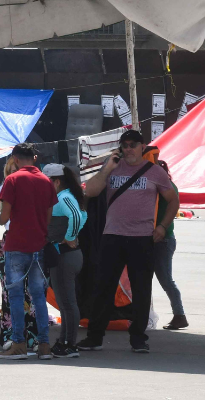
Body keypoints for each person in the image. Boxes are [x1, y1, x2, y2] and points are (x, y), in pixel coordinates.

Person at [80, 129, 180, 354]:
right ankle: (95, 336)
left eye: (133, 145)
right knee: (103, 287)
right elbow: (91, 192)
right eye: (124, 145)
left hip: (142, 238)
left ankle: (138, 338)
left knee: (141, 290)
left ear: (142, 147)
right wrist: (107, 168)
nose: (128, 149)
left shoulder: (154, 172)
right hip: (112, 236)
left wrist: (163, 227)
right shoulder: (112, 169)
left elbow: (173, 201)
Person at [0, 143, 57, 360]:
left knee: (16, 295)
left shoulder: (12, 180)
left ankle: (19, 343)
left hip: (16, 246)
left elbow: (4, 217)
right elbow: (48, 218)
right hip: (38, 245)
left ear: (15, 158)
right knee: (39, 296)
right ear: (35, 158)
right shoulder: (47, 181)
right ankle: (45, 345)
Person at [0, 156, 38, 350]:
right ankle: (25, 337)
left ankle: (19, 337)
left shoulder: (10, 188)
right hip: (24, 242)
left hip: (20, 242)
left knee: (23, 293)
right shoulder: (8, 188)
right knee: (21, 293)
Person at [42, 163, 87, 358]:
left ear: (56, 181)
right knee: (65, 302)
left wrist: (70, 236)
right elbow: (82, 215)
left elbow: (77, 215)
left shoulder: (63, 197)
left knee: (68, 303)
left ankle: (70, 344)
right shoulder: (65, 196)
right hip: (65, 255)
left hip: (65, 257)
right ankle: (63, 341)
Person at [154, 159, 188, 331]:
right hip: (159, 239)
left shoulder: (166, 187)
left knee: (166, 279)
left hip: (163, 239)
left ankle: (180, 315)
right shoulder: (164, 185)